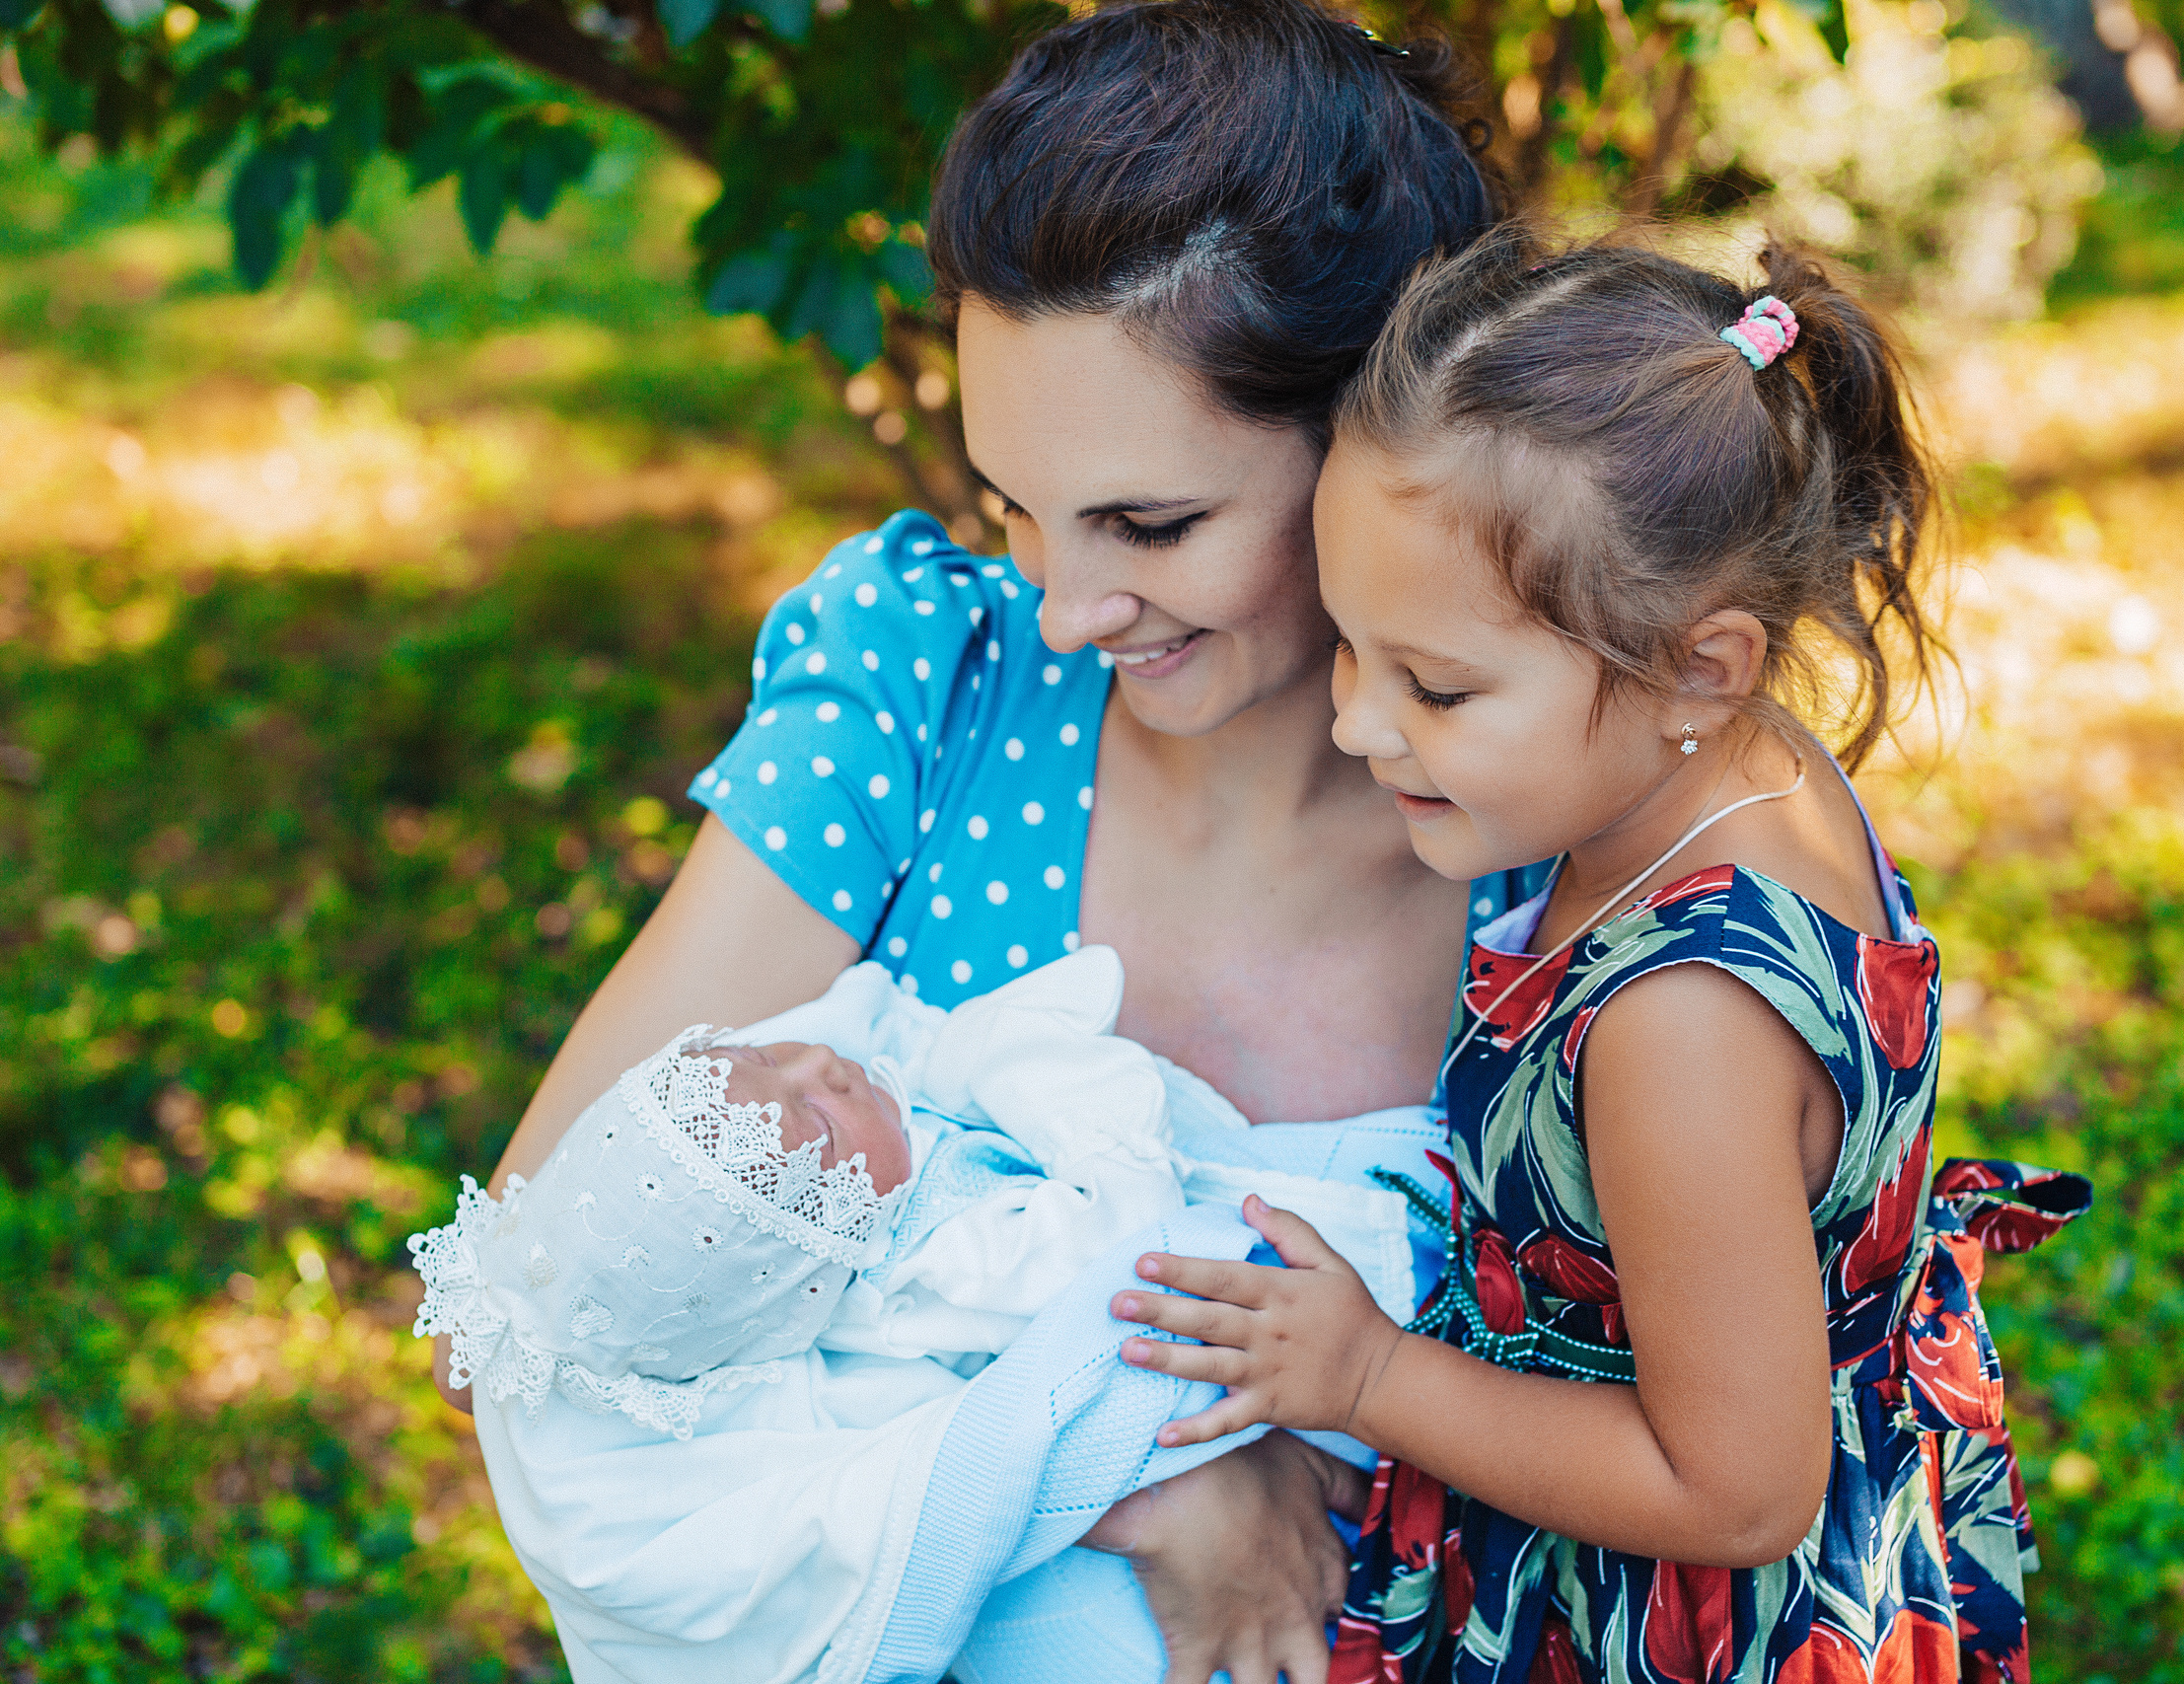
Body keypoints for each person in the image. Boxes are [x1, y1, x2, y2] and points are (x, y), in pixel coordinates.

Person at [439, 2, 1530, 1678]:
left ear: (1386, 430)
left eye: (1152, 524)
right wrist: (1145, 1484)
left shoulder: (1556, 821)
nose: (1065, 606)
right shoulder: (930, 687)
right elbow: (539, 1288)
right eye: (1012, 503)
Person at [1107, 234, 2093, 1683]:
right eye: (1352, 647)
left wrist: (1370, 1372)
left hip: (1673, 1619)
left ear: (1703, 664)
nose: (1360, 723)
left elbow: (1744, 1489)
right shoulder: (1742, 776)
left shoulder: (1676, 1021)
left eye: (1437, 684)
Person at [410, 951, 1440, 1684]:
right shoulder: (944, 1273)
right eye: (812, 1118)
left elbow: (853, 1027)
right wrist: (1028, 1074)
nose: (817, 1062)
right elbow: (1124, 1245)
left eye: (764, 1055)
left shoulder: (861, 1116)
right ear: (812, 1259)